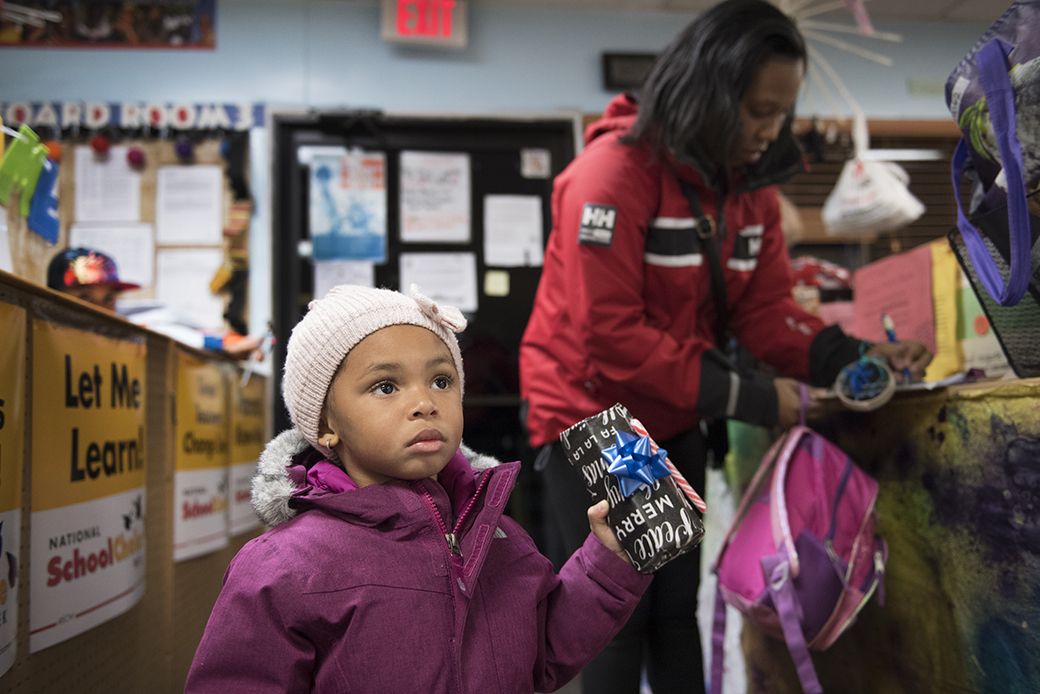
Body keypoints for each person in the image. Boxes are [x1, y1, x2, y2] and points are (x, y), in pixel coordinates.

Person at [518, 2, 932, 693]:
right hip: (600, 417)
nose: (769, 131)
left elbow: (766, 309)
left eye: (782, 112)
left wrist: (848, 357)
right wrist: (753, 396)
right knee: (623, 614)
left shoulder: (747, 192)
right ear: (707, 92)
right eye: (756, 111)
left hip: (676, 413)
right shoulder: (611, 176)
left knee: (677, 613)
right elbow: (609, 335)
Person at [185, 284, 652, 693]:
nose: (425, 403)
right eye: (386, 386)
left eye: (441, 380)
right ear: (326, 424)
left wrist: (609, 560)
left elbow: (543, 652)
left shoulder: (499, 536)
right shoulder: (280, 568)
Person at [46, 247, 263, 360]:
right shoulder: (43, 334)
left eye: (109, 298)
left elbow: (170, 325)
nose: (100, 309)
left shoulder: (125, 323)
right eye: (84, 297)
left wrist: (232, 345)